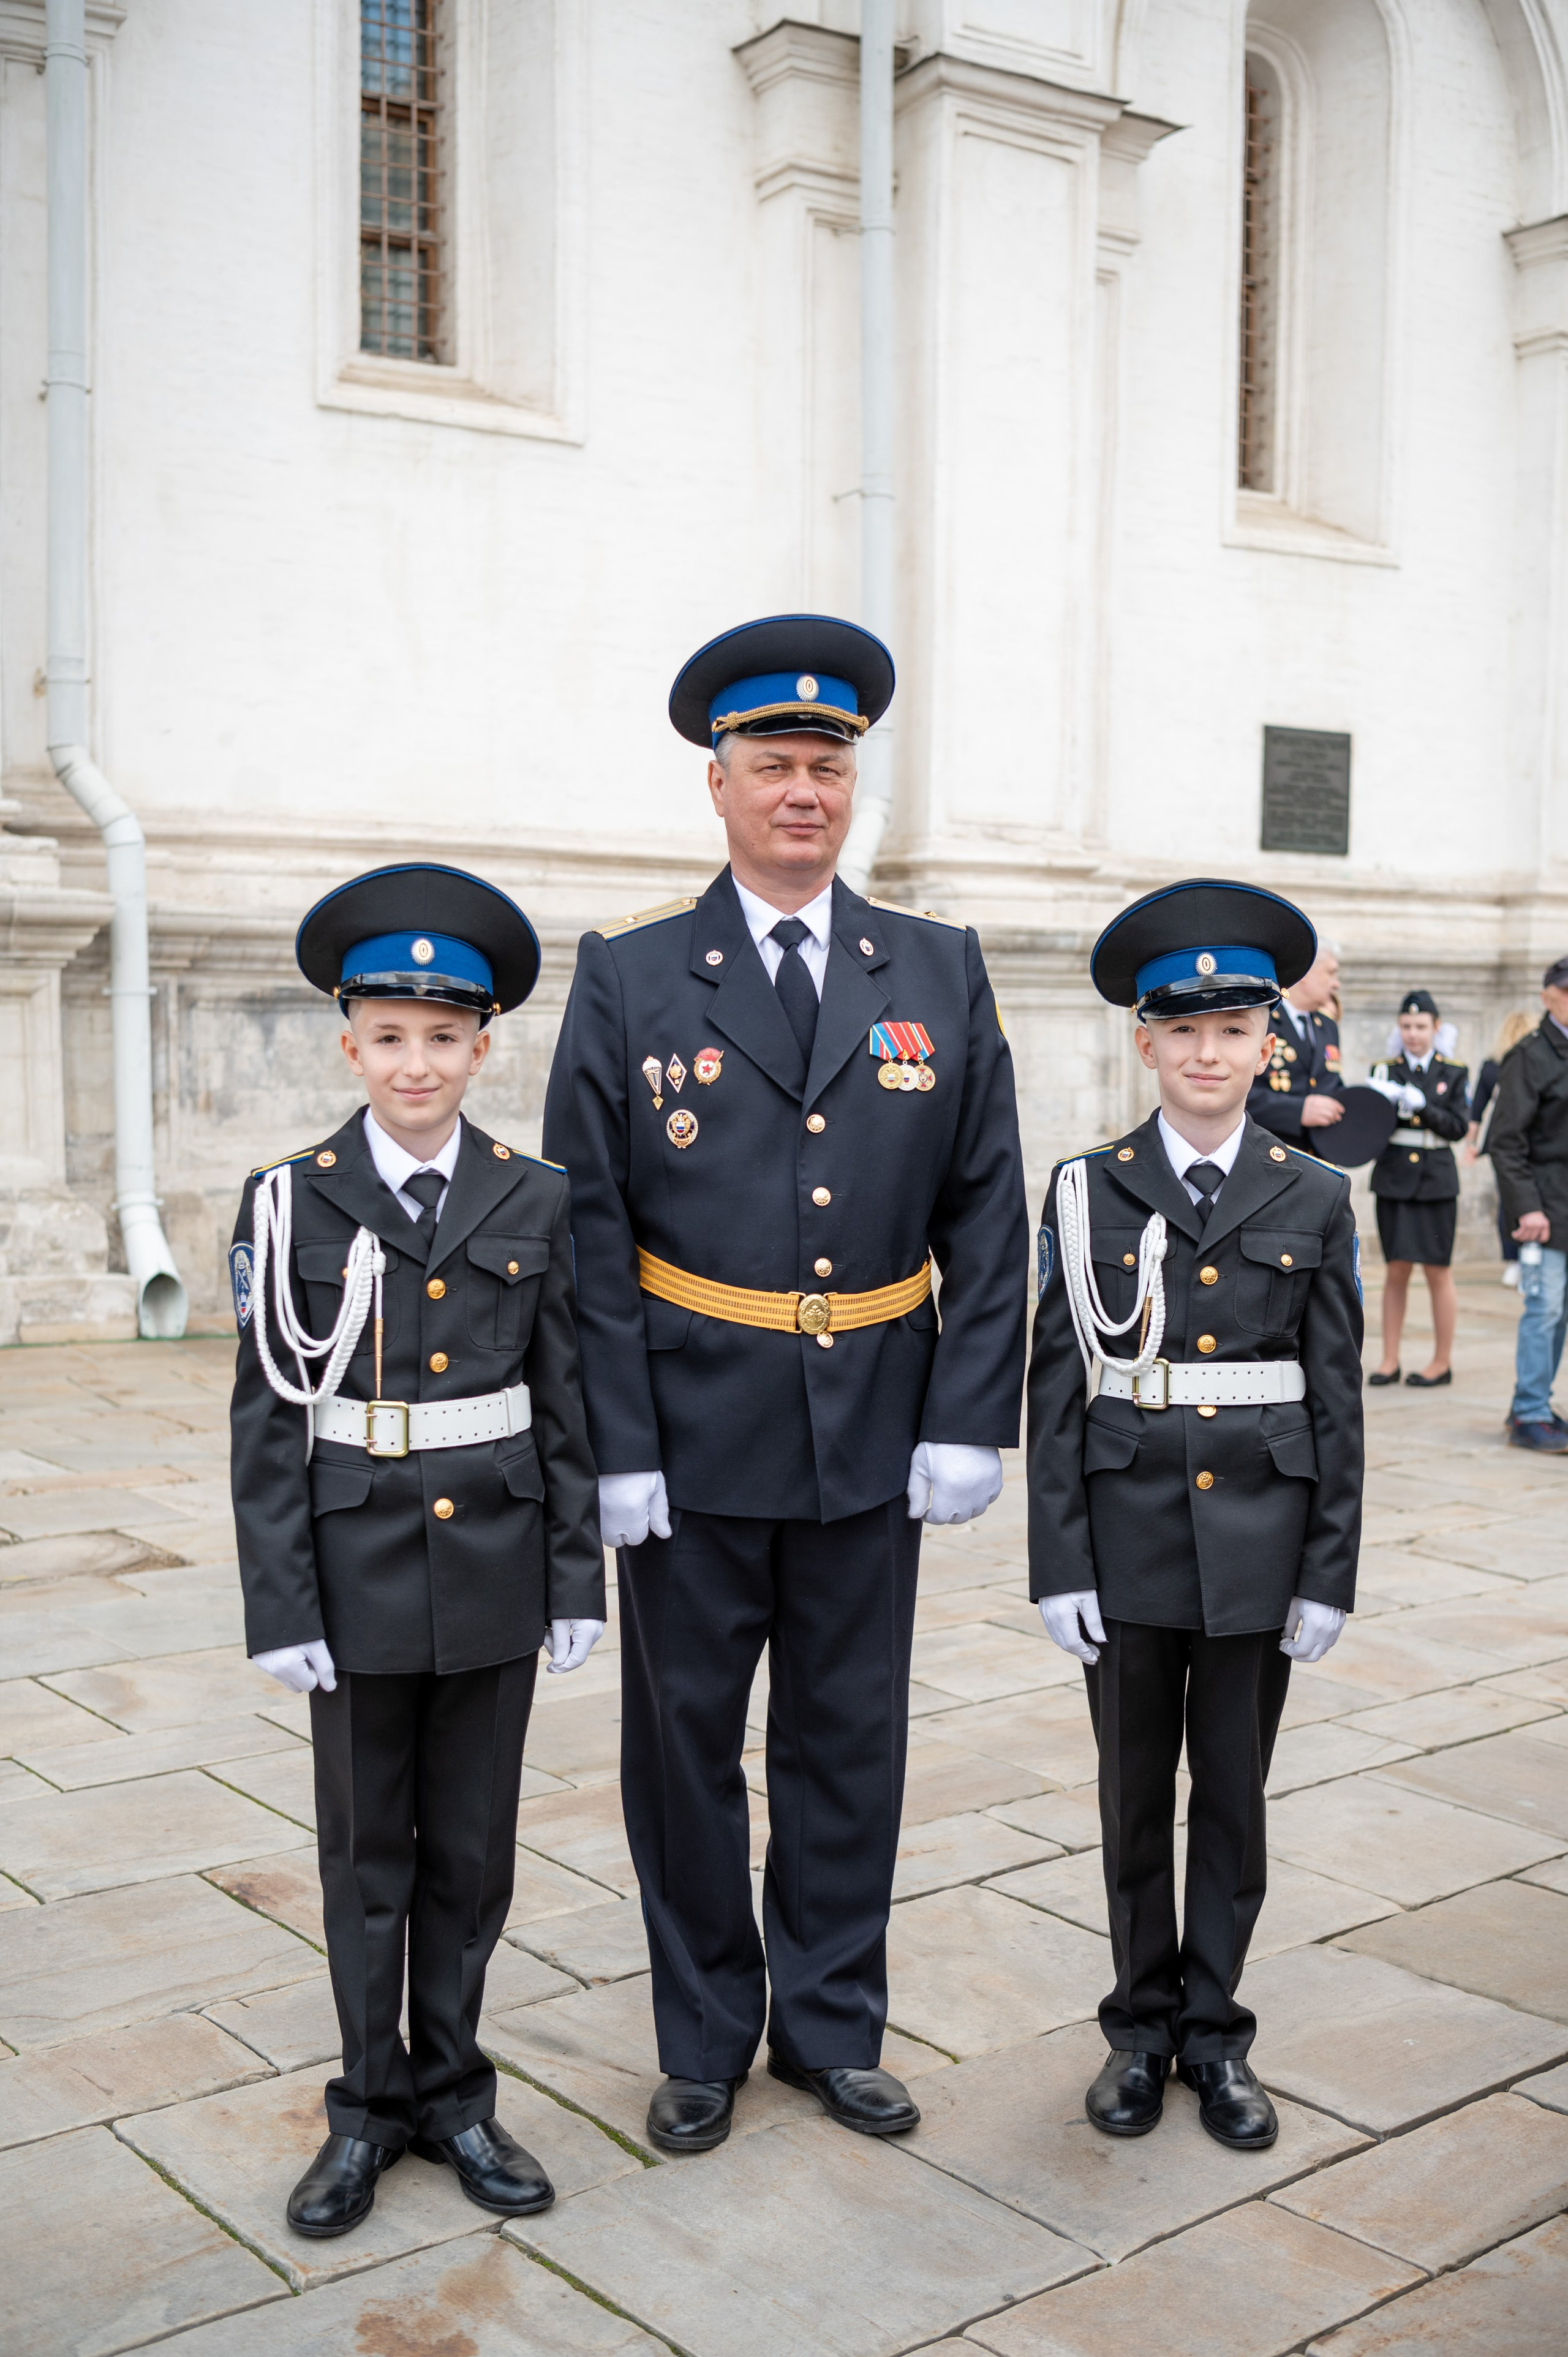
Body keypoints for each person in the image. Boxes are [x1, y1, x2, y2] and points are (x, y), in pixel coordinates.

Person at [543, 614, 1028, 2156]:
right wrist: (612, 1442)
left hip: (871, 1432)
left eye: (828, 764)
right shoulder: (627, 975)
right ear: (719, 783)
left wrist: (966, 1411)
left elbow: (986, 1208)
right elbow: (587, 1227)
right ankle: (701, 2034)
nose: (803, 789)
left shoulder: (936, 969)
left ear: (850, 785)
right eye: (773, 764)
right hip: (688, 1433)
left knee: (847, 1738)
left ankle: (828, 2023)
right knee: (682, 1746)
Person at [228, 864, 604, 2236]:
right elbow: (268, 1420)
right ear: (350, 1043)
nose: (416, 1062)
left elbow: (564, 1398)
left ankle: (454, 2093)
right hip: (353, 1569)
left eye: (443, 1037)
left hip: (498, 1560)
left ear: (480, 1048)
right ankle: (366, 2107)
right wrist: (281, 1601)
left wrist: (577, 1575)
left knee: (472, 1852)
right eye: (389, 1035)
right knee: (363, 1856)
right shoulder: (292, 1200)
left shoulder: (532, 1193)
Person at [1028, 879, 1363, 2152]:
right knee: (1129, 1794)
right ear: (1145, 1043)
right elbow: (1052, 1386)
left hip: (1259, 1542)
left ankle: (1214, 2033)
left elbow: (1334, 1400)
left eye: (1231, 1029)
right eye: (1182, 1031)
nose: (1207, 1053)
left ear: (1265, 1039)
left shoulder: (1313, 1194)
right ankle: (1135, 2030)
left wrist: (1325, 1567)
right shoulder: (1082, 1191)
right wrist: (1055, 1557)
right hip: (1121, 1539)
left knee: (1230, 1793)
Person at [1365, 990, 1469, 1389]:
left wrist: (1422, 1105)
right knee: (1396, 1270)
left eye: (1421, 1026)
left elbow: (1458, 1127)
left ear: (1436, 1028)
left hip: (1437, 1178)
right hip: (1394, 1177)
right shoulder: (1384, 1070)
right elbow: (1370, 1128)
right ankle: (1389, 1359)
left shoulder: (1454, 1071)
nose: (1413, 1034)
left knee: (1438, 1271)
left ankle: (1441, 1362)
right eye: (1406, 1026)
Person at [1487, 956, 1568, 1452]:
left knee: (1559, 1313)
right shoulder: (1530, 1055)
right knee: (1544, 1308)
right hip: (1545, 1210)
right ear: (1549, 996)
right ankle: (1529, 1412)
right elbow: (1506, 1141)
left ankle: (1537, 1403)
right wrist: (1527, 1209)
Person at [1246, 939, 1346, 1152]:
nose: (1336, 984)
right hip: (1269, 1152)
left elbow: (1332, 1083)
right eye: (1331, 973)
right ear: (1306, 973)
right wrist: (1298, 1111)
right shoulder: (1264, 1019)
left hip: (1320, 1157)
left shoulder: (1327, 1026)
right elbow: (1238, 1092)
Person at [1465, 1010, 1537, 1288]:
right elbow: (1478, 1109)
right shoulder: (1503, 1065)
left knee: (1509, 1201)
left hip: (1502, 1143)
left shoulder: (1494, 1064)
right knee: (1520, 1200)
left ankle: (1515, 1259)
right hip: (1521, 1142)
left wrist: (1472, 1145)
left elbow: (1476, 1113)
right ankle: (1520, 1257)